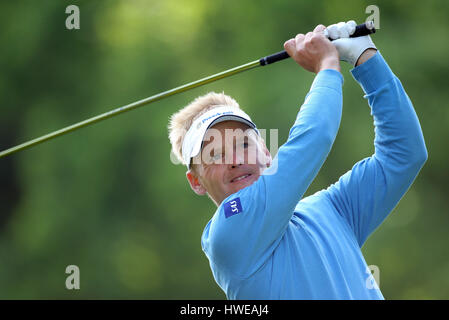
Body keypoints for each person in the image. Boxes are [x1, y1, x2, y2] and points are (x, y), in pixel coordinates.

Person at [167, 21, 427, 299]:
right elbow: (313, 139)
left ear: (266, 152)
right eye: (215, 154)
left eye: (244, 143)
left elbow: (405, 154)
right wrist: (327, 66)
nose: (234, 160)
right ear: (196, 182)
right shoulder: (228, 233)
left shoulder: (331, 209)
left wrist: (365, 57)